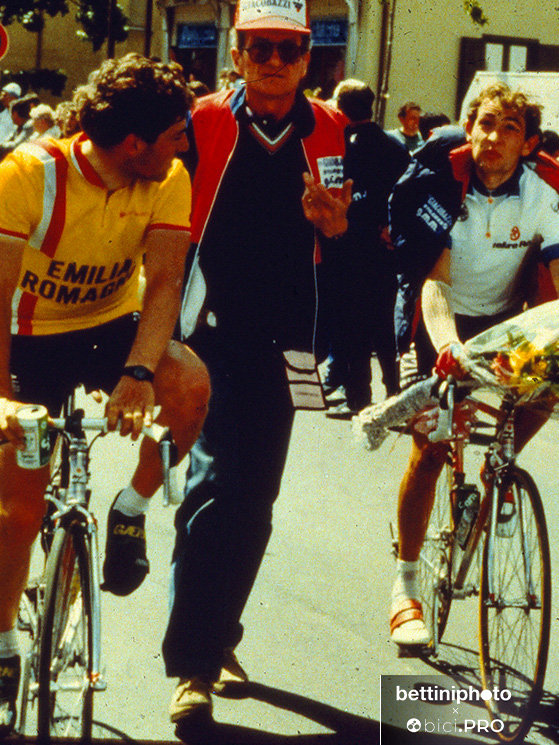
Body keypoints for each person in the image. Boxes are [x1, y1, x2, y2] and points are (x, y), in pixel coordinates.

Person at [0, 53, 210, 737]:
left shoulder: (167, 175)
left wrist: (141, 372)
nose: (186, 143)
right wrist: (2, 402)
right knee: (18, 510)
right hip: (26, 336)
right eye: (175, 133)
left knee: (190, 386)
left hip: (109, 327)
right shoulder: (29, 174)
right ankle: (2, 647)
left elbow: (166, 282)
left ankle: (131, 507)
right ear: (133, 143)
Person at [163, 0, 352, 727]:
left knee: (255, 501)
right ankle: (192, 665)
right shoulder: (203, 121)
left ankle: (219, 634)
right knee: (215, 486)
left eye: (287, 48)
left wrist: (335, 226)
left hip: (289, 340)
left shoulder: (329, 128)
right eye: (259, 46)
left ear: (307, 58)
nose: (274, 60)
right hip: (208, 333)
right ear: (236, 54)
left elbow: (353, 238)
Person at [389, 82, 559, 648]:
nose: (494, 137)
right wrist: (448, 346)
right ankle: (405, 586)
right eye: (485, 123)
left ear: (528, 143)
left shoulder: (544, 192)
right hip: (440, 315)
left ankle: (499, 467)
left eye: (510, 128)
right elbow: (434, 284)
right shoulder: (441, 181)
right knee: (431, 444)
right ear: (469, 128)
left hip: (506, 317)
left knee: (547, 389)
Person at [322, 79, 409, 418]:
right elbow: (409, 190)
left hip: (350, 247)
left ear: (341, 108)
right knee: (384, 324)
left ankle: (359, 398)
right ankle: (394, 391)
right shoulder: (394, 146)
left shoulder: (343, 146)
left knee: (353, 324)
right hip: (386, 248)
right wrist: (392, 226)